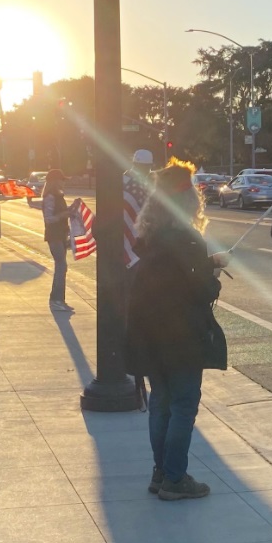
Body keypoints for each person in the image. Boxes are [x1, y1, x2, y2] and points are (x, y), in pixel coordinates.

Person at [125, 159, 229, 501]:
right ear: (188, 201)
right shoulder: (187, 238)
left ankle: (160, 472)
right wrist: (212, 275)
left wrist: (206, 263)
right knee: (184, 405)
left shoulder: (150, 237)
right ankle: (175, 478)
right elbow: (199, 290)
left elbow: (172, 275)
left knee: (161, 403)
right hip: (181, 337)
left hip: (150, 334)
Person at [123, 149, 155, 411]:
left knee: (129, 314)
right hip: (140, 255)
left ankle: (136, 381)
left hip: (124, 255)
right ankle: (139, 383)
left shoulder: (122, 182)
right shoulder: (146, 187)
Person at [30, 168, 76, 312]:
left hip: (61, 234)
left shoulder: (58, 196)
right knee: (61, 265)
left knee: (62, 266)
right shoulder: (50, 196)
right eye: (62, 180)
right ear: (55, 181)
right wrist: (64, 214)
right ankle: (56, 299)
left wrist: (71, 209)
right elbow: (49, 218)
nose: (64, 183)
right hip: (54, 235)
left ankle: (58, 299)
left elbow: (60, 212)